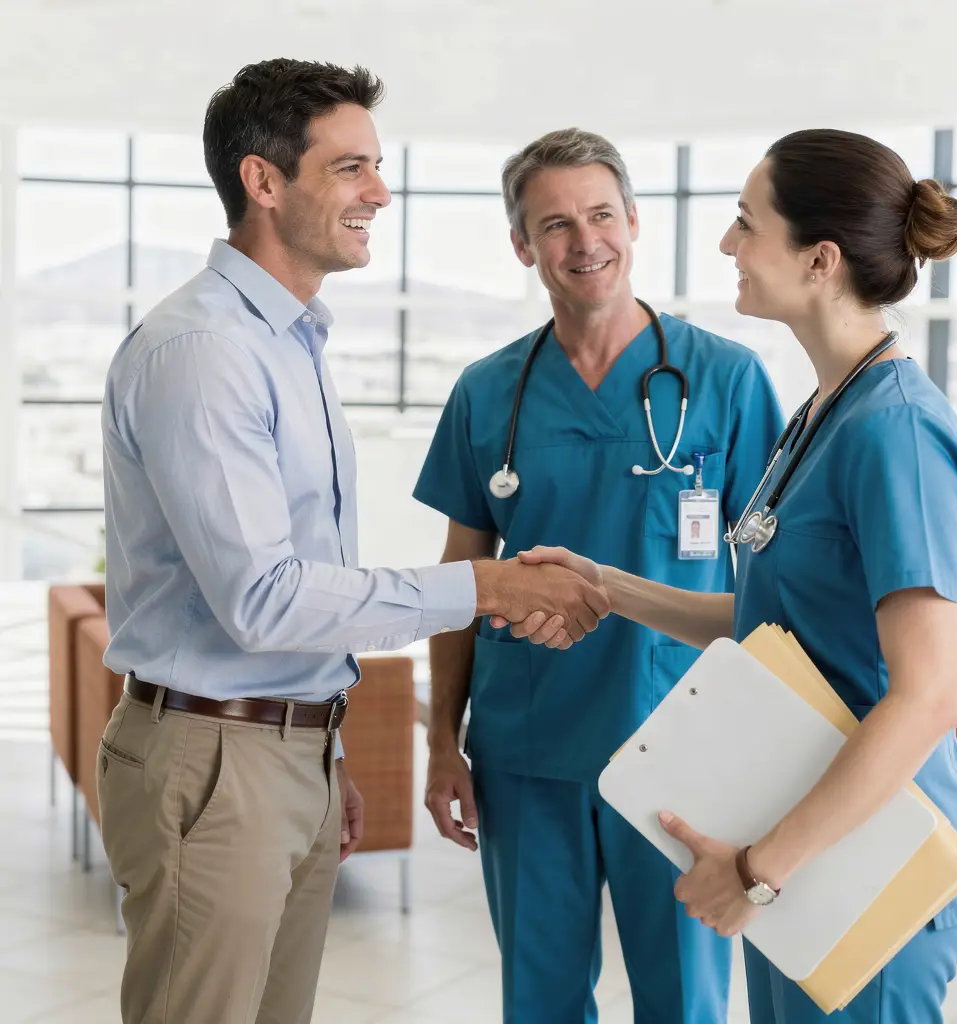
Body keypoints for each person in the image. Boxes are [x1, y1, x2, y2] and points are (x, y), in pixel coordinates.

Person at [96, 60, 608, 1024]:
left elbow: (300, 588)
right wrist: (487, 590)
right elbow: (267, 598)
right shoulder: (204, 351)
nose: (380, 191)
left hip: (278, 749)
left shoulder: (290, 342)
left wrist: (317, 753)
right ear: (263, 180)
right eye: (350, 168)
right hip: (216, 761)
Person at [513, 129, 957, 1024]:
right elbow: (772, 624)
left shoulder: (897, 434)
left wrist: (758, 873)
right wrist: (606, 586)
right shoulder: (823, 412)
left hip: (873, 856)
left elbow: (929, 697)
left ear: (819, 259)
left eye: (745, 222)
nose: (727, 244)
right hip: (806, 845)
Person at [413, 127, 784, 1023]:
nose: (585, 243)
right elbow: (461, 578)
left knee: (684, 1001)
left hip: (686, 751)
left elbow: (778, 587)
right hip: (527, 749)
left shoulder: (726, 381)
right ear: (521, 244)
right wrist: (440, 742)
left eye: (601, 215)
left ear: (634, 221)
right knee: (538, 1000)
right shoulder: (486, 391)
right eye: (555, 224)